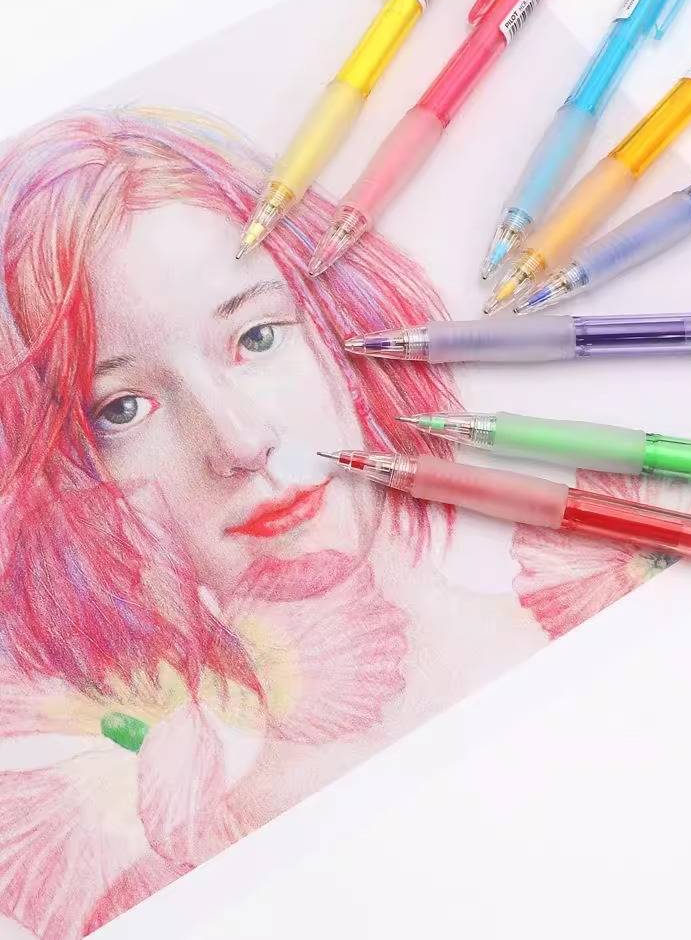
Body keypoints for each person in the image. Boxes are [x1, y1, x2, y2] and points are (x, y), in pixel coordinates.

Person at [0, 106, 539, 938]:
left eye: (257, 336)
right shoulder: (165, 872)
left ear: (346, 323)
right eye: (123, 409)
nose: (240, 441)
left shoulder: (581, 637)